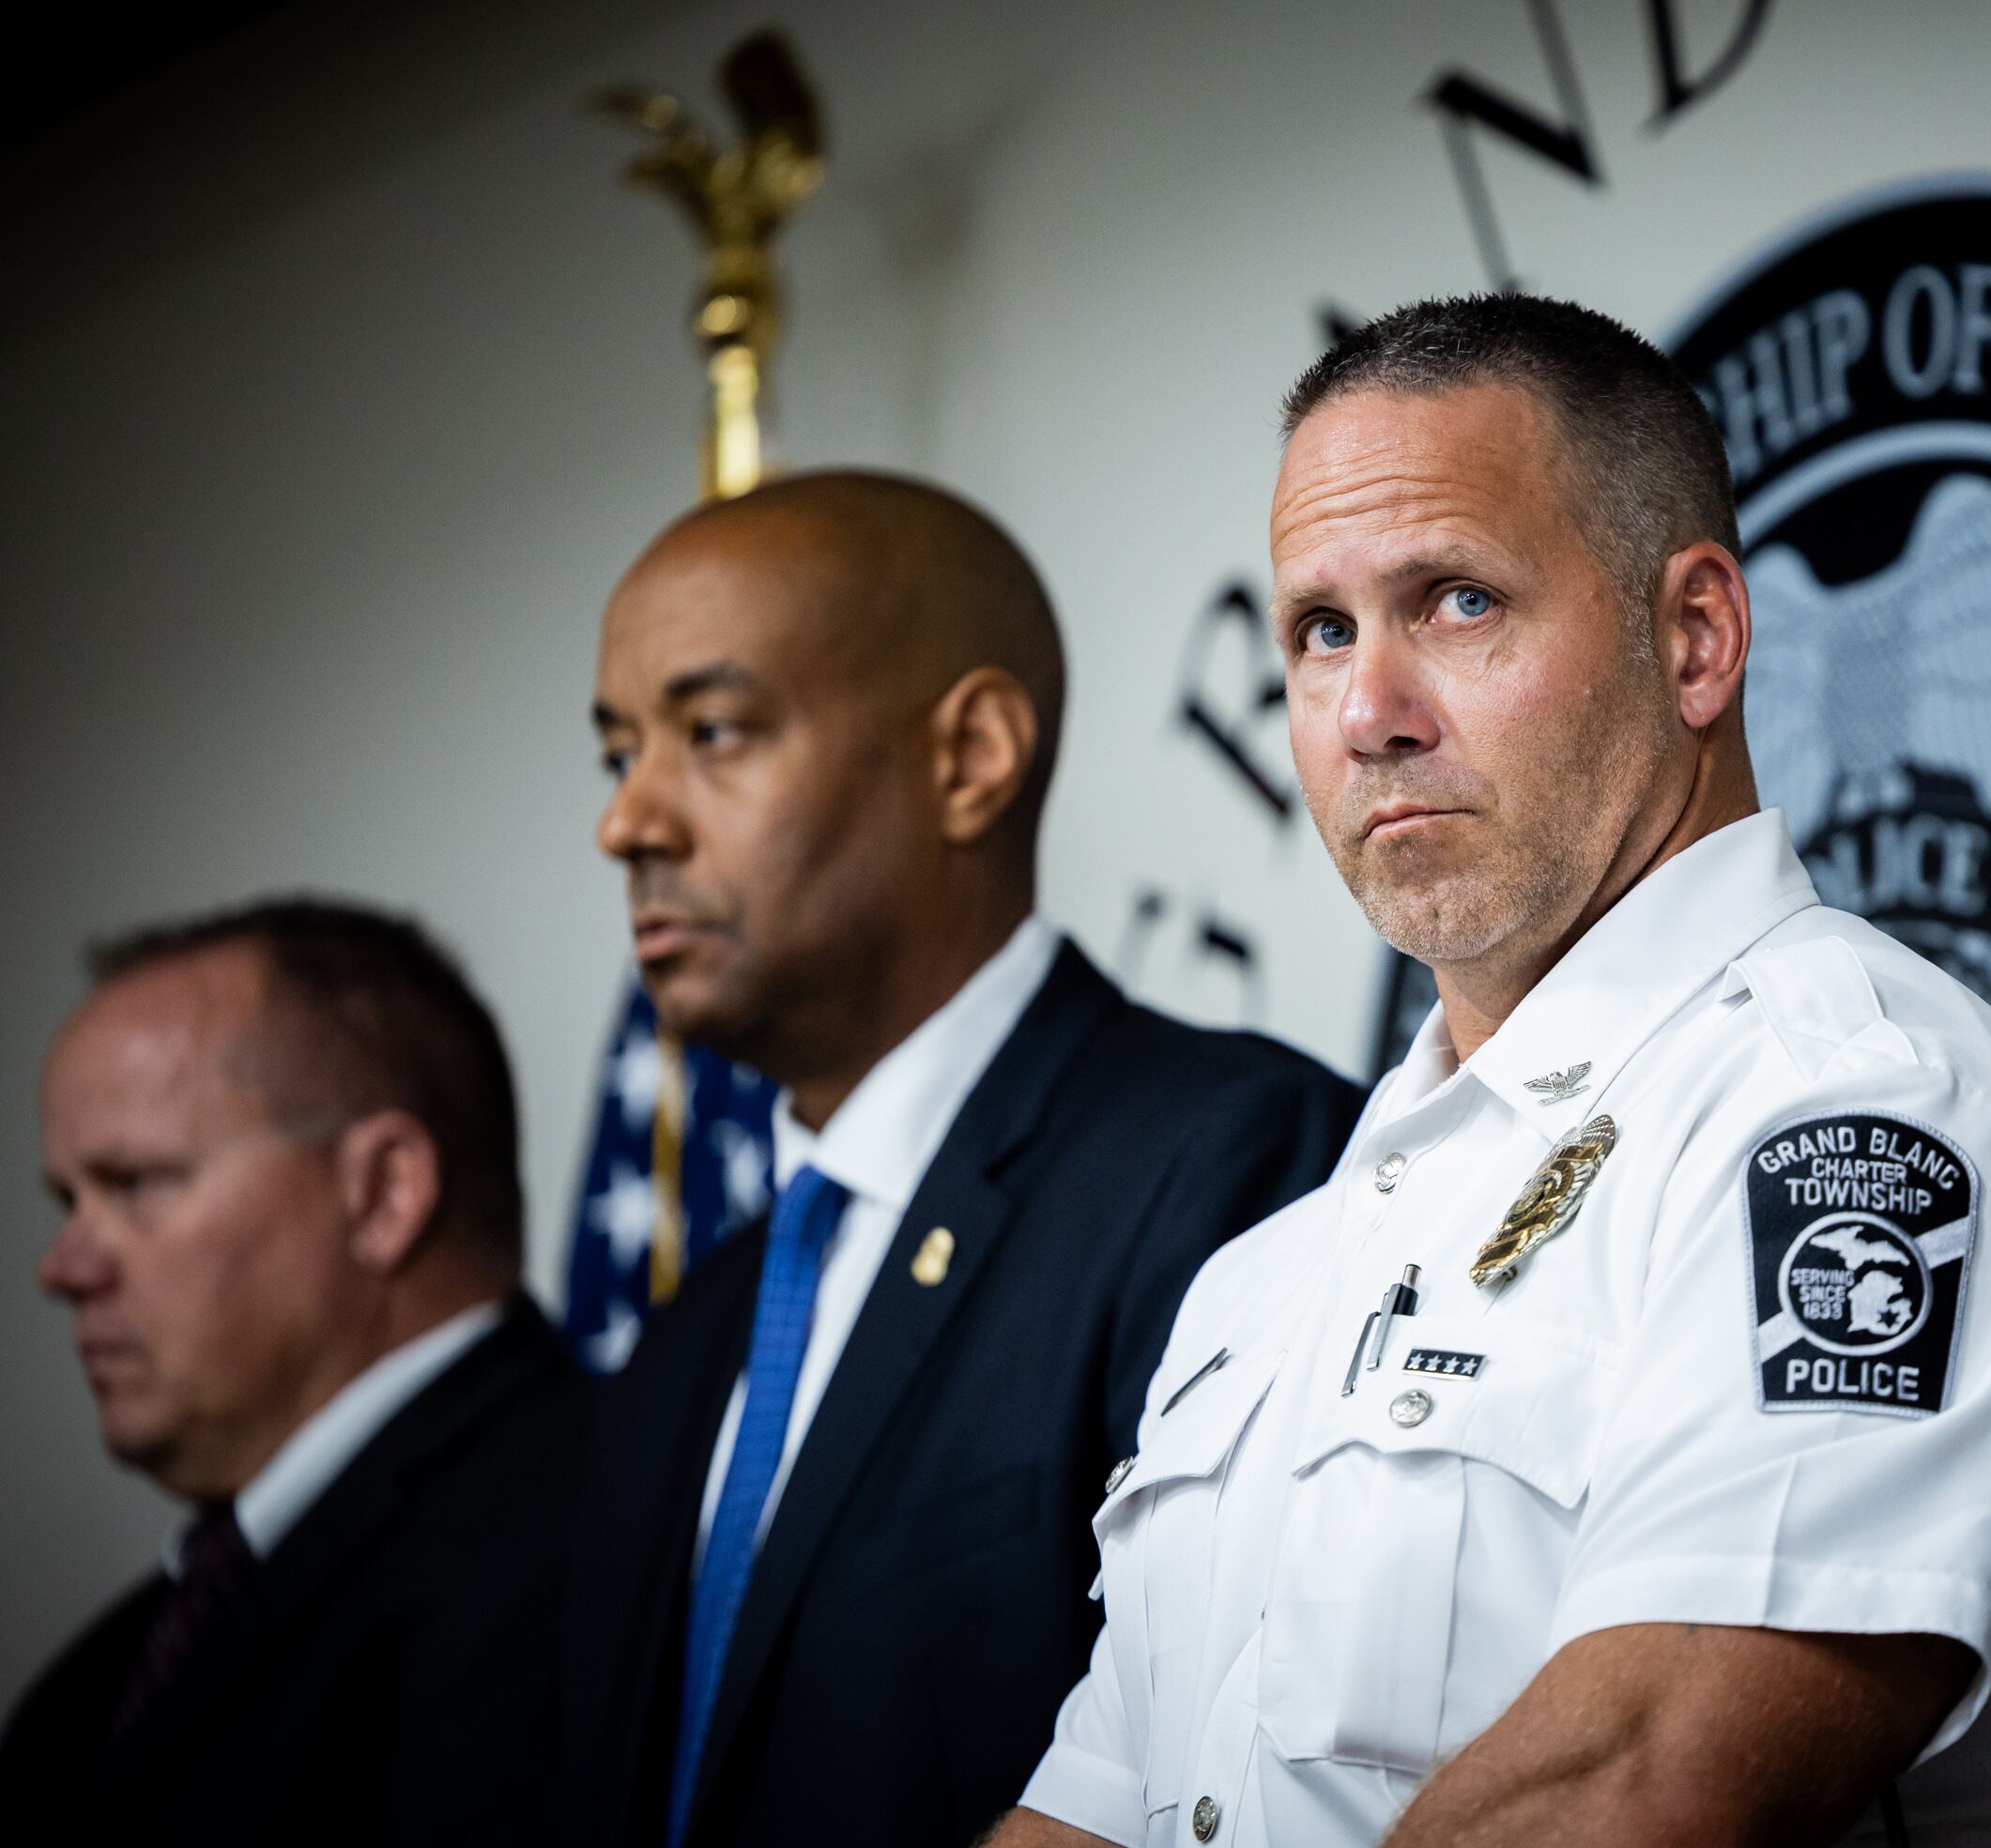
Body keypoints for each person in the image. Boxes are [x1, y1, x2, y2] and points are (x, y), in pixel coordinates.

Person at [991, 296, 1991, 1848]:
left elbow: (1650, 1790)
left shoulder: (1860, 1115)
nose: (1367, 715)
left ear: (1696, 641)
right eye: (1321, 631)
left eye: (1458, 602)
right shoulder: (1266, 1283)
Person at [562, 471, 1362, 1848]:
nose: (628, 822)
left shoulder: (1226, 1165)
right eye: (617, 753)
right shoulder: (699, 1327)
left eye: (712, 732)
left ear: (973, 756)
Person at [1, 899, 582, 1845]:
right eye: (70, 1199)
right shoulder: (94, 1684)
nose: (62, 1266)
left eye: (137, 1182)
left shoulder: (608, 1543)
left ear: (385, 1191)